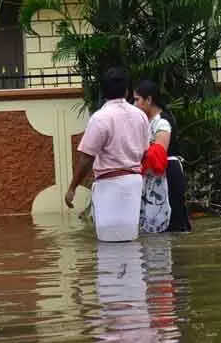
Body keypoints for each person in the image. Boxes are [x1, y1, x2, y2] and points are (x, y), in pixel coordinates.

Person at [65, 67, 149, 242]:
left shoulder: (100, 118)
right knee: (129, 239)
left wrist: (73, 187)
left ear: (102, 91)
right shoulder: (140, 116)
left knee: (109, 242)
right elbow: (144, 151)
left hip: (109, 184)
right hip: (134, 182)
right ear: (126, 91)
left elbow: (87, 157)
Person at [133, 80, 191, 232]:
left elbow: (158, 155)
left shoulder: (163, 122)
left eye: (137, 99)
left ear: (149, 100)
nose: (134, 104)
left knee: (173, 216)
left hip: (168, 172)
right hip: (153, 174)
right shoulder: (146, 122)